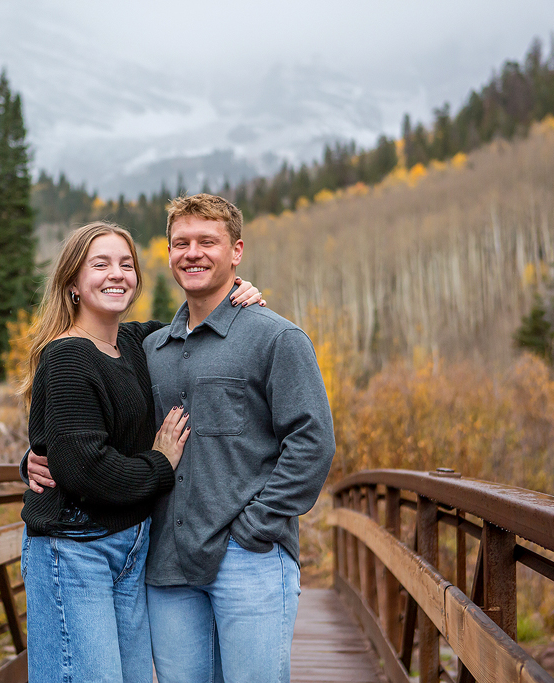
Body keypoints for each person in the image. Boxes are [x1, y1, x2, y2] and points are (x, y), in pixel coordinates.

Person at [28, 195, 335, 683]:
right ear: (169, 254)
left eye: (207, 242)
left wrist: (257, 525)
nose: (193, 253)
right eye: (181, 243)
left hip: (246, 555)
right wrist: (36, 456)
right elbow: (85, 424)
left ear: (236, 252)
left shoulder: (274, 338)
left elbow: (312, 442)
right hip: (165, 562)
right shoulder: (151, 346)